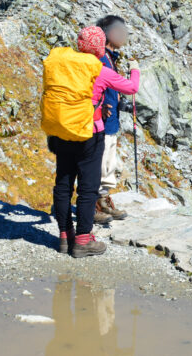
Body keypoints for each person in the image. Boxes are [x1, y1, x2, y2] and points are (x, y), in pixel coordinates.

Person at [46, 27, 139, 258]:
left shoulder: (63, 64)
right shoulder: (99, 68)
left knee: (63, 184)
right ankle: (84, 240)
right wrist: (135, 70)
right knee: (87, 187)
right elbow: (131, 88)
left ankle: (65, 237)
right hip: (89, 133)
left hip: (62, 131)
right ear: (99, 48)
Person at [94, 15, 134, 221]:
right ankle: (93, 206)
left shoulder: (110, 57)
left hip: (110, 120)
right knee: (99, 163)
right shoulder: (100, 58)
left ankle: (103, 201)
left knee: (108, 163)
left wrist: (118, 102)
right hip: (100, 121)